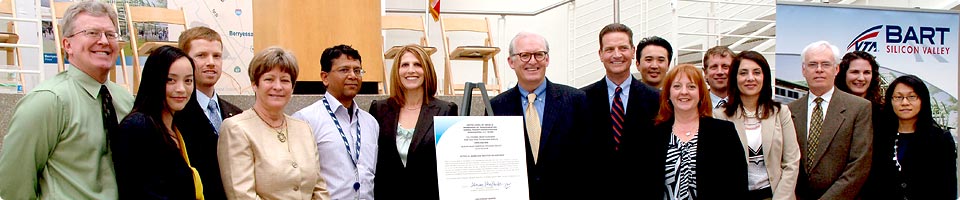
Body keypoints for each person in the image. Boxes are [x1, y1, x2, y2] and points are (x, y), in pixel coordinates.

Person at [0, 2, 134, 199]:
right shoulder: (47, 102)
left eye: (110, 34)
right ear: (67, 45)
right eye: (92, 33)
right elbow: (14, 185)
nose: (104, 41)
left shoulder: (127, 102)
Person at [217, 47, 331, 199]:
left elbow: (319, 188)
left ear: (292, 87)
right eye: (269, 79)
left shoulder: (303, 128)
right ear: (254, 84)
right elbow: (242, 195)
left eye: (285, 80)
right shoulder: (236, 128)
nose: (278, 87)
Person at [489, 32, 589, 200]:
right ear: (511, 62)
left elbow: (587, 158)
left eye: (539, 55)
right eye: (524, 55)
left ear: (547, 59)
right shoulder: (496, 106)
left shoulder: (575, 100)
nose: (533, 61)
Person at [632, 64, 748, 199]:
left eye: (691, 86)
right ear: (668, 93)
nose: (684, 92)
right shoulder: (651, 135)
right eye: (677, 86)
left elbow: (738, 185)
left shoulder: (723, 133)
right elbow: (640, 186)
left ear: (701, 93)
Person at [580, 23, 660, 199]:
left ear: (633, 51)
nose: (617, 55)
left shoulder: (657, 100)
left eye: (623, 48)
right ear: (600, 54)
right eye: (609, 49)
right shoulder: (581, 99)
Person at [112, 46, 203, 199]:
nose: (181, 89)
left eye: (188, 80)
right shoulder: (138, 127)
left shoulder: (179, 127)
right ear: (154, 80)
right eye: (170, 80)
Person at [369, 44, 458, 200]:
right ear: (397, 71)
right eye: (405, 65)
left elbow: (449, 168)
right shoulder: (379, 109)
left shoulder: (446, 110)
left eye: (417, 65)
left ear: (427, 71)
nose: (411, 70)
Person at [787, 41, 872, 200]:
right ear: (803, 70)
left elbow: (859, 166)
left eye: (825, 64)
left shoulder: (859, 108)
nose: (819, 69)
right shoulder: (789, 110)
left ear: (836, 69)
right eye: (812, 64)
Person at [293, 44, 379, 200]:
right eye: (344, 70)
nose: (353, 76)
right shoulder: (306, 120)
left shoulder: (370, 123)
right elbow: (298, 180)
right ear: (325, 77)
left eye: (357, 70)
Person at [713, 51, 800, 200]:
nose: (750, 78)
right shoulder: (719, 116)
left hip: (776, 195)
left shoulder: (780, 112)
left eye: (757, 72)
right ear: (735, 78)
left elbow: (791, 162)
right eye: (743, 73)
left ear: (765, 77)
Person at [862, 75, 957, 199]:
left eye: (912, 97)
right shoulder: (878, 136)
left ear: (922, 100)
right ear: (890, 101)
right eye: (898, 97)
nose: (905, 103)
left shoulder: (940, 139)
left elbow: (947, 188)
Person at [174, 26, 241, 200]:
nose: (211, 62)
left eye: (217, 56)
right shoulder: (175, 115)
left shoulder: (237, 114)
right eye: (201, 55)